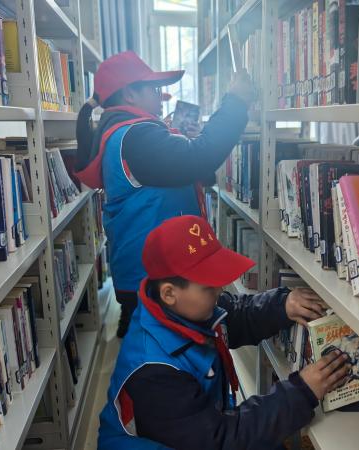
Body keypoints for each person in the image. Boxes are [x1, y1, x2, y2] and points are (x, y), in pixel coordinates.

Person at [97, 215, 352, 449]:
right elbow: (220, 440)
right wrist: (302, 392)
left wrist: (282, 305)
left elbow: (235, 315)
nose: (220, 290)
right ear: (169, 293)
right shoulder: (154, 373)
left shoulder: (182, 310)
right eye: (209, 287)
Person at [74, 51, 255, 337]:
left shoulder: (124, 132)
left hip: (141, 271)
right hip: (153, 278)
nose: (160, 97)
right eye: (154, 90)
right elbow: (200, 159)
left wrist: (186, 141)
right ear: (130, 94)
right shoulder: (136, 136)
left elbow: (183, 173)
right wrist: (235, 102)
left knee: (146, 342)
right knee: (163, 351)